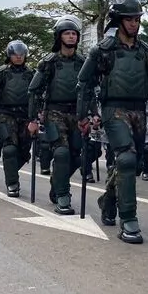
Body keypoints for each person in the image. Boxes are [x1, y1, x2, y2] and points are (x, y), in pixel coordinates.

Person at [77, 0, 148, 243]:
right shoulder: (102, 50)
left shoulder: (146, 51)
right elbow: (84, 84)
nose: (134, 23)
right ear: (119, 20)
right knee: (126, 159)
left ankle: (108, 199)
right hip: (113, 110)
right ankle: (128, 219)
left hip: (139, 111)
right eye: (129, 19)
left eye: (137, 19)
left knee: (134, 164)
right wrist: (87, 115)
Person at [28, 15, 86, 215]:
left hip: (76, 113)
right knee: (61, 153)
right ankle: (63, 196)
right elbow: (34, 90)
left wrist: (92, 114)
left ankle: (57, 181)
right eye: (67, 33)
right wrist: (33, 119)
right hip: (54, 112)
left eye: (74, 34)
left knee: (76, 157)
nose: (71, 37)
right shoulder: (49, 62)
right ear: (59, 37)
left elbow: (90, 90)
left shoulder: (83, 62)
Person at [0, 41, 35, 197]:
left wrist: (36, 118)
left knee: (24, 152)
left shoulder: (32, 73)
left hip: (25, 115)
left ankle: (10, 169)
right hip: (4, 113)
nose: (18, 57)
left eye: (21, 55)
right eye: (15, 54)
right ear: (9, 55)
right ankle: (12, 183)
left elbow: (37, 96)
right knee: (9, 148)